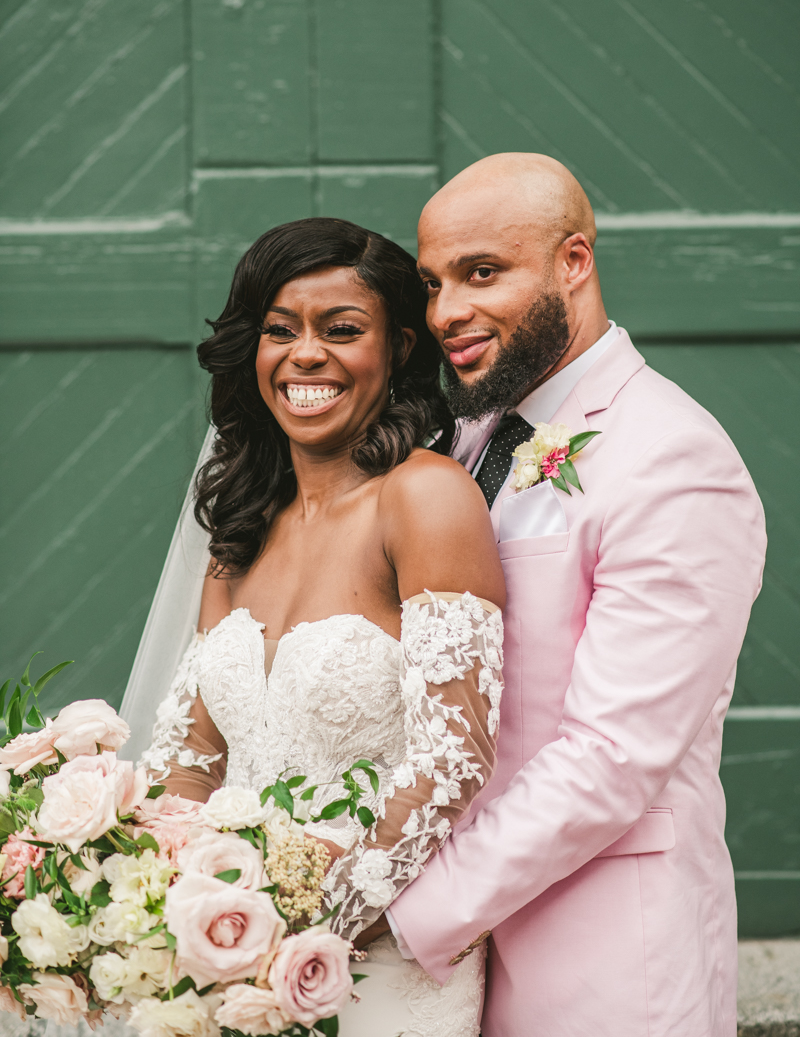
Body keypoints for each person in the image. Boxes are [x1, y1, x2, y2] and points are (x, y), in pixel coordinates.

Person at [386, 153, 768, 1037]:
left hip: (605, 961)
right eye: (433, 282)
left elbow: (611, 758)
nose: (446, 312)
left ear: (574, 262)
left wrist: (402, 912)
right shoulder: (464, 440)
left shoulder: (672, 456)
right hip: (452, 969)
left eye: (483, 273)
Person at [123, 217, 506, 1037]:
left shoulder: (426, 498)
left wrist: (306, 928)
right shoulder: (239, 530)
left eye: (341, 330)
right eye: (279, 330)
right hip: (232, 958)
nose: (305, 355)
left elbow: (454, 760)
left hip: (379, 960)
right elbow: (189, 766)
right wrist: (161, 905)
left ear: (400, 347)